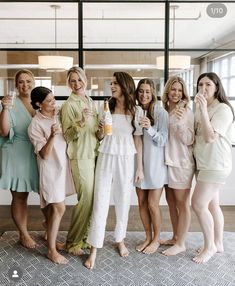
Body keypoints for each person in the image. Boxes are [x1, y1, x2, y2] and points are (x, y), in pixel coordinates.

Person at [84, 71, 144, 270]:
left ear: (125, 86)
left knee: (123, 199)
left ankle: (120, 239)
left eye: (115, 84)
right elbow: (100, 136)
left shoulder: (136, 111)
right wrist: (100, 129)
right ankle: (94, 247)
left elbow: (138, 139)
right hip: (106, 155)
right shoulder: (106, 106)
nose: (112, 86)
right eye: (111, 83)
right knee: (100, 199)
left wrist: (140, 168)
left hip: (126, 157)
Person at [28, 86, 75, 264]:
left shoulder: (58, 114)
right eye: (49, 101)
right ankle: (51, 250)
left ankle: (48, 228)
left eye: (54, 99)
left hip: (63, 167)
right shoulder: (35, 125)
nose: (54, 103)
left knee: (53, 206)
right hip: (49, 170)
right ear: (39, 104)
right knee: (59, 207)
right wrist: (52, 136)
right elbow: (44, 154)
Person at [192, 72, 234, 264]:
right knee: (212, 204)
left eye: (208, 84)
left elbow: (210, 137)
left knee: (198, 204)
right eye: (200, 84)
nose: (203, 88)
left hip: (215, 164)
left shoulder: (223, 109)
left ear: (216, 87)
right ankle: (218, 243)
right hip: (203, 163)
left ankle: (209, 246)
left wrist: (201, 110)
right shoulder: (203, 107)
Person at [60, 67, 99, 255]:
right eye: (72, 81)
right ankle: (72, 242)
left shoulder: (90, 101)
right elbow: (67, 135)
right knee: (85, 200)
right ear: (69, 83)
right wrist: (81, 122)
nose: (76, 84)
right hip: (80, 156)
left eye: (79, 80)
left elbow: (95, 132)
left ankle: (83, 239)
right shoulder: (69, 105)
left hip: (94, 155)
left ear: (85, 80)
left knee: (91, 201)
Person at [0, 69, 39, 249]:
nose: (25, 85)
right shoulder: (11, 104)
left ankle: (48, 230)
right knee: (20, 196)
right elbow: (4, 131)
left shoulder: (39, 102)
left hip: (37, 153)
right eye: (21, 82)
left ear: (34, 83)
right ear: (16, 85)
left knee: (46, 194)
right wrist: (5, 109)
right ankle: (23, 234)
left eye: (28, 81)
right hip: (17, 153)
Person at [161, 76, 195, 256]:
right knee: (171, 202)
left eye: (180, 90)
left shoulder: (186, 112)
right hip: (166, 164)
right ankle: (175, 237)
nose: (176, 93)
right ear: (167, 91)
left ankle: (181, 243)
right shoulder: (164, 110)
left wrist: (181, 123)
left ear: (184, 93)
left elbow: (190, 140)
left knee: (182, 204)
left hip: (181, 164)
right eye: (173, 89)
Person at [135, 78, 168, 254]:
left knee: (153, 204)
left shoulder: (161, 112)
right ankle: (147, 236)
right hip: (139, 164)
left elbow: (163, 140)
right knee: (141, 203)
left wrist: (150, 128)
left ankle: (156, 239)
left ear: (153, 93)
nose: (144, 94)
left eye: (147, 91)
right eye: (141, 91)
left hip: (156, 165)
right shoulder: (136, 110)